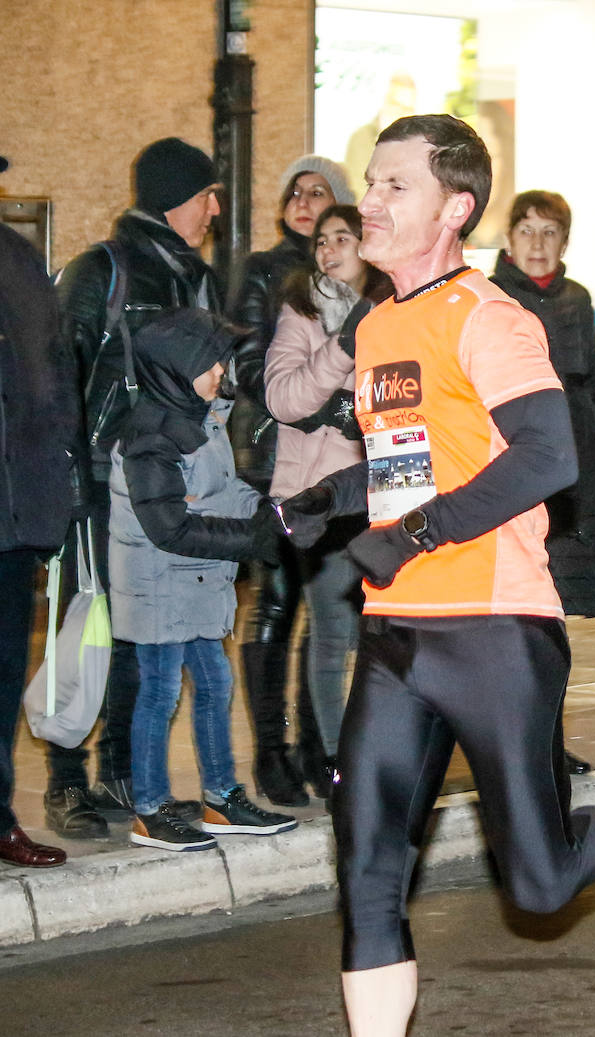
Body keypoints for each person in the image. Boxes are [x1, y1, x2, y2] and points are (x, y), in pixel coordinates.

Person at [275, 114, 595, 1034]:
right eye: (372, 180)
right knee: (365, 871)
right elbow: (417, 464)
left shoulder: (490, 316)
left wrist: (417, 535)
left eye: (396, 184)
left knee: (540, 883)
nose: (372, 201)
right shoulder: (379, 327)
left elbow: (547, 456)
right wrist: (337, 496)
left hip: (495, 630)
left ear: (456, 207)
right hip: (396, 638)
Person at [44, 137, 225, 839]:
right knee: (81, 629)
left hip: (165, 482)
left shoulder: (194, 277)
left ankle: (121, 771)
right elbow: (59, 377)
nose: (215, 208)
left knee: (144, 631)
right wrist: (68, 480)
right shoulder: (102, 269)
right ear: (177, 198)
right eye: (208, 194)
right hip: (98, 483)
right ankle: (66, 780)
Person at [110, 309, 296, 851]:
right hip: (160, 585)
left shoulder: (203, 418)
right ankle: (149, 809)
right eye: (208, 362)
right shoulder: (150, 437)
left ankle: (220, 797)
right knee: (160, 693)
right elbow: (169, 527)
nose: (221, 370)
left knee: (216, 685)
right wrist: (251, 539)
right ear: (174, 369)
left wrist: (273, 514)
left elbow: (220, 493)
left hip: (197, 579)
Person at [229, 154, 355, 808]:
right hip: (270, 456)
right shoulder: (264, 272)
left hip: (340, 473)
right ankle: (272, 749)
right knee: (276, 605)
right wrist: (324, 404)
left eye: (320, 192)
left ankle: (316, 741)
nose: (305, 200)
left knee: (330, 616)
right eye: (295, 190)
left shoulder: (362, 280)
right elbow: (249, 361)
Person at [264, 204, 386, 792]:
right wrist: (344, 343)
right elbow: (284, 399)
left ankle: (368, 750)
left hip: (380, 495)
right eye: (321, 241)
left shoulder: (394, 308)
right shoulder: (301, 312)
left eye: (344, 237)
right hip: (318, 499)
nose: (330, 249)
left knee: (383, 635)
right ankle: (340, 762)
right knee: (334, 632)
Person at [489, 190, 595, 619]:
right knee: (527, 586)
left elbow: (591, 377)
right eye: (526, 231)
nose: (538, 243)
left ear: (564, 242)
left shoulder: (578, 297)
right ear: (508, 239)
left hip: (581, 446)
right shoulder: (492, 298)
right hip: (522, 445)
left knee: (576, 587)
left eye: (550, 232)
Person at [0, 157, 80, 868]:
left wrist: (62, 479)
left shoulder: (18, 261)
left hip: (16, 509)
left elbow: (54, 380)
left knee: (1, 672)